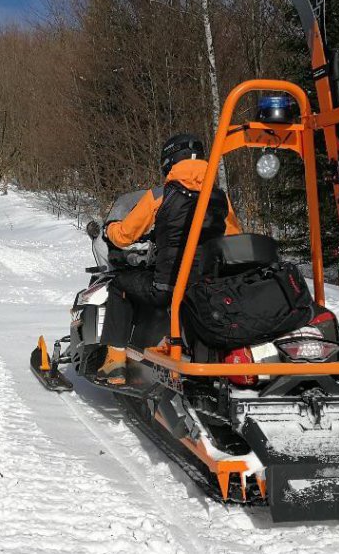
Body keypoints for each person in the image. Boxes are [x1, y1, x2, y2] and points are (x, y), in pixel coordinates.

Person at [96, 133, 241, 385]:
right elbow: (234, 237)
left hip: (167, 288)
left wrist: (109, 229)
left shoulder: (159, 195)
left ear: (169, 161)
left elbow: (124, 235)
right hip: (205, 288)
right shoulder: (219, 199)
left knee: (119, 282)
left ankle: (115, 362)